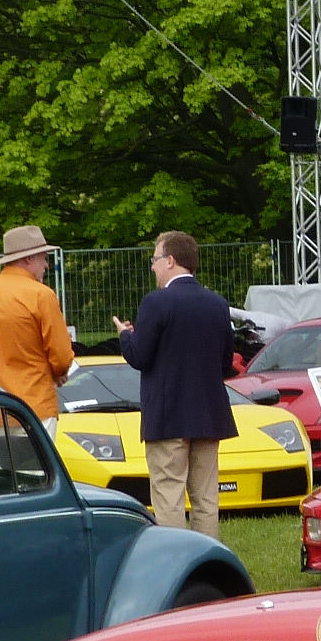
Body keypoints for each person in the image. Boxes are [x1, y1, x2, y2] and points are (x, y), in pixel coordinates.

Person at [115, 230, 239, 540]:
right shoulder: (217, 303)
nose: (152, 266)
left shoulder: (156, 302)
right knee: (206, 498)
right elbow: (226, 363)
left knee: (168, 495)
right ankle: (208, 558)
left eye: (155, 259)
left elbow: (139, 356)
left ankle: (175, 559)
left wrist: (125, 336)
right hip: (210, 415)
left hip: (168, 417)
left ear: (170, 260)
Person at [0, 226, 75, 424]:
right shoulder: (42, 295)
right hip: (34, 408)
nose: (46, 265)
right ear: (29, 259)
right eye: (44, 258)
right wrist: (58, 374)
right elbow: (62, 357)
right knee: (37, 448)